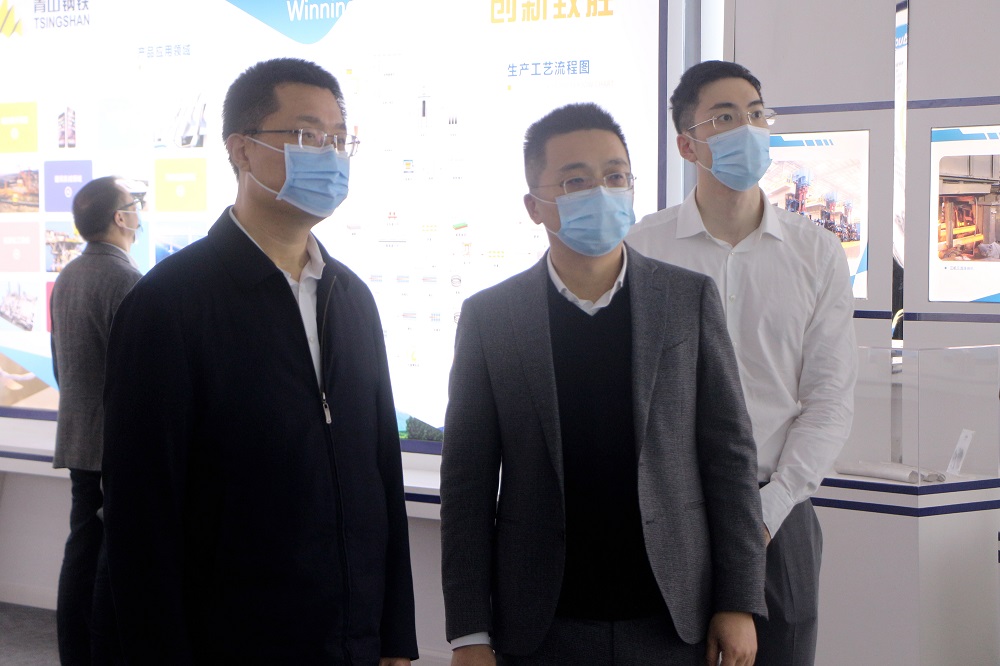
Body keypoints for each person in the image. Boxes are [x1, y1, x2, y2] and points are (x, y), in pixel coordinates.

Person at [101, 58, 418, 664]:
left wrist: (395, 634)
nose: (329, 154)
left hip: (352, 641)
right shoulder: (169, 304)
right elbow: (140, 518)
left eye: (338, 139)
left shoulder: (351, 298)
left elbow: (382, 474)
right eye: (305, 135)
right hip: (232, 643)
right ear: (241, 149)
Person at [440, 102, 766, 666]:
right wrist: (469, 632)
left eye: (615, 177)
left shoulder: (687, 299)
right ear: (534, 206)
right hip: (541, 624)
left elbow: (730, 456)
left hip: (671, 618)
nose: (602, 192)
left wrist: (738, 601)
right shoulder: (491, 318)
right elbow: (467, 484)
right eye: (575, 181)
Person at [626, 60, 858, 665]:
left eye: (756, 114)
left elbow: (830, 400)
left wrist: (768, 510)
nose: (748, 128)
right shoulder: (642, 248)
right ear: (687, 144)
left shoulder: (816, 252)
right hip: (667, 514)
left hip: (778, 514)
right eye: (725, 118)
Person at [50, 175, 142, 665]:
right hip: (115, 445)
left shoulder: (68, 275)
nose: (140, 211)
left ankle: (76, 655)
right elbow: (139, 377)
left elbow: (60, 365)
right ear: (120, 218)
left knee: (82, 550)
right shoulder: (126, 280)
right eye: (135, 204)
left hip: (79, 437)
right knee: (112, 558)